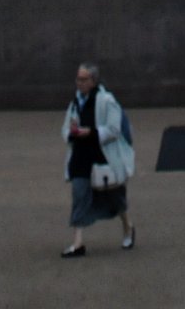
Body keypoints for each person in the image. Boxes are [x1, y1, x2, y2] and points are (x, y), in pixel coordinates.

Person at [60, 61, 135, 257]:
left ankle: (127, 225)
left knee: (114, 195)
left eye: (84, 79)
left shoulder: (106, 101)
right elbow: (65, 127)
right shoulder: (75, 102)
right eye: (78, 79)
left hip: (102, 155)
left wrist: (91, 132)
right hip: (80, 155)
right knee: (79, 194)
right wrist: (72, 133)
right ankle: (78, 242)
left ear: (93, 80)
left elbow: (114, 129)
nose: (79, 83)